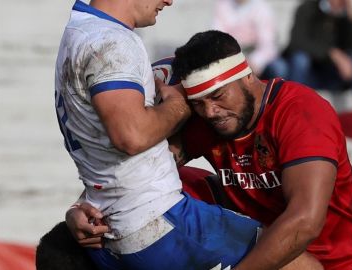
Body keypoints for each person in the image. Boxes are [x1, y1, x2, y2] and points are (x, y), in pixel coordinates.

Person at [68, 30, 352, 269]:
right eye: (199, 103)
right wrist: (84, 209)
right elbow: (140, 177)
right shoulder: (211, 119)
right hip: (280, 259)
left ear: (247, 76)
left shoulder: (301, 112)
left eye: (218, 97)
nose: (211, 111)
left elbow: (305, 222)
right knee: (176, 181)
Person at [54, 1, 286, 269]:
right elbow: (131, 135)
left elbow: (102, 145)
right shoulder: (111, 42)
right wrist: (180, 106)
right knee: (294, 259)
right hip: (156, 222)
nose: (169, 0)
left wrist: (77, 207)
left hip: (107, 226)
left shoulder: (78, 30)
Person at [285, 0, 352, 110]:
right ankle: (293, 110)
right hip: (310, 73)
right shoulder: (307, 8)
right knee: (300, 59)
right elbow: (297, 42)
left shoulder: (344, 16)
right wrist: (332, 54)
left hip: (333, 74)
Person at [212, 0, 288, 79]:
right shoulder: (223, 5)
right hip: (231, 54)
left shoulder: (261, 8)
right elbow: (217, 39)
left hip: (256, 54)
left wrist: (255, 61)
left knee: (279, 68)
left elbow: (268, 45)